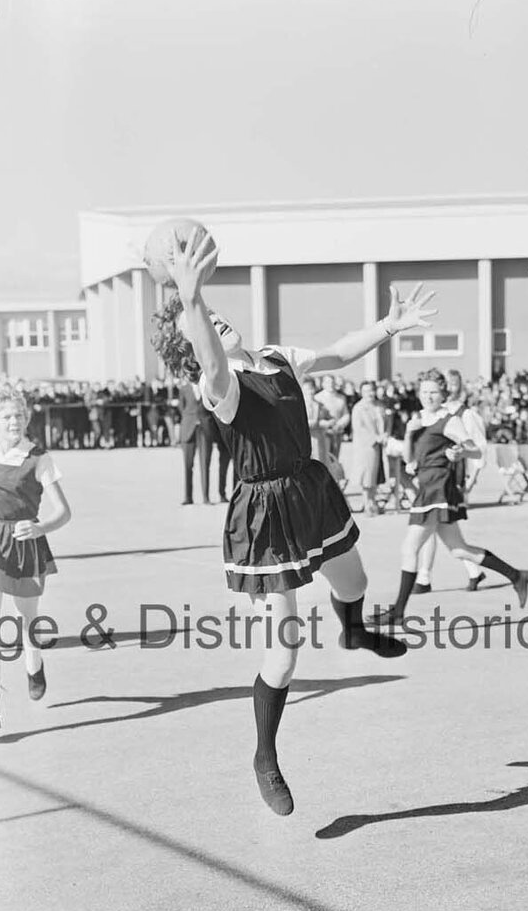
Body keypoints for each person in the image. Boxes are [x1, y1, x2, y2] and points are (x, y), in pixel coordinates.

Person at [150, 227, 431, 816]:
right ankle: (265, 756)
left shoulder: (276, 357)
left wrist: (388, 327)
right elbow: (206, 349)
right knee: (283, 653)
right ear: (194, 347)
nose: (218, 319)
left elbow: (336, 352)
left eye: (215, 311)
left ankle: (353, 629)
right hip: (264, 516)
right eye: (206, 322)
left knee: (354, 586)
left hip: (309, 489)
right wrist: (189, 296)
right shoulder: (216, 385)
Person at [370, 369, 528, 626]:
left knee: (409, 548)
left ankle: (398, 612)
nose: (428, 396)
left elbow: (475, 451)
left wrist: (459, 454)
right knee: (458, 550)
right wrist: (410, 434)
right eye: (424, 392)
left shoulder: (450, 420)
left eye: (433, 392)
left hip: (438, 488)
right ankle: (516, 576)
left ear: (443, 393)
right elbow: (410, 459)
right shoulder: (418, 418)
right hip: (427, 486)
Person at [0, 383, 71, 735]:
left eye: (19, 415)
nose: (15, 421)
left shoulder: (38, 457)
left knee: (28, 621)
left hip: (24, 543)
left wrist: (40, 528)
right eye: (6, 416)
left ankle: (34, 663)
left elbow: (63, 512)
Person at [414, 370, 489, 594]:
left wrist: (473, 478)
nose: (452, 387)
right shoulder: (427, 414)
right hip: (430, 479)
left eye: (455, 384)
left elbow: (478, 447)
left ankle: (423, 578)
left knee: (432, 529)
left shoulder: (464, 415)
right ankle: (472, 571)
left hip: (451, 478)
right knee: (443, 532)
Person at [351, 380, 386, 515]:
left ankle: (373, 500)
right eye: (366, 391)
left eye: (371, 390)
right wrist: (374, 438)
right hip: (365, 446)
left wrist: (384, 434)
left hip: (378, 446)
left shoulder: (379, 406)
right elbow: (359, 428)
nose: (369, 394)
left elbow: (386, 422)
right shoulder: (358, 408)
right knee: (366, 476)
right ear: (361, 392)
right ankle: (367, 503)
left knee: (375, 475)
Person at [178, 375, 214, 504]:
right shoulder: (184, 389)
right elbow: (181, 407)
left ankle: (206, 496)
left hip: (204, 428)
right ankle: (188, 497)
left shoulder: (207, 386)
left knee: (205, 464)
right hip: (188, 429)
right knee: (188, 465)